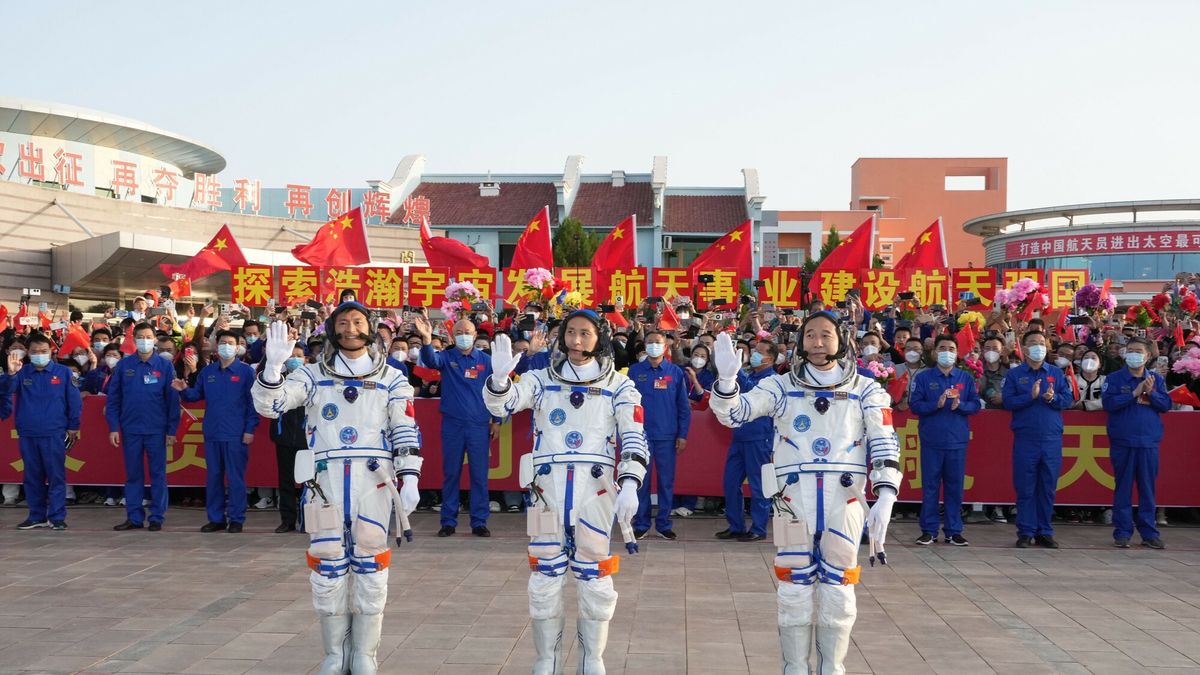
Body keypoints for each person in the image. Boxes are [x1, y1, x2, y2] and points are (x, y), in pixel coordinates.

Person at [708, 311, 901, 674]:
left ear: (842, 340)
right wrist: (728, 380)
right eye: (810, 335)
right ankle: (794, 667)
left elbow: (884, 440)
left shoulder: (866, 389)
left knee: (839, 586)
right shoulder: (780, 387)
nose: (817, 342)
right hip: (791, 501)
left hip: (844, 499)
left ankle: (832, 668)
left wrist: (887, 492)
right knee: (793, 587)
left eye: (826, 334)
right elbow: (734, 414)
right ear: (799, 343)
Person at [253, 302, 422, 674]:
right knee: (327, 561)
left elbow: (405, 427)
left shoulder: (392, 377)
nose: (350, 328)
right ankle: (334, 653)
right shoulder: (312, 375)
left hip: (374, 480)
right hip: (325, 480)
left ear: (370, 328)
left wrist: (410, 476)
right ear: (332, 329)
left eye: (358, 321)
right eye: (342, 322)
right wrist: (273, 368)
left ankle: (364, 654)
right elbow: (272, 405)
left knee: (370, 562)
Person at [482, 310, 647, 675]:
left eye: (585, 333)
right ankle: (547, 660)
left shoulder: (620, 386)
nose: (576, 340)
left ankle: (592, 660)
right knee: (544, 575)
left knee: (595, 576)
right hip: (546, 493)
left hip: (595, 492)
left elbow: (634, 435)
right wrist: (500, 379)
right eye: (570, 332)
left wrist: (631, 482)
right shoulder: (541, 379)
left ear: (600, 339)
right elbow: (503, 404)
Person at [412, 312, 501, 537]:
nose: (463, 336)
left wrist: (497, 420)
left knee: (479, 475)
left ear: (475, 335)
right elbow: (431, 361)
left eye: (467, 332)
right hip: (452, 425)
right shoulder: (447, 357)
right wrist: (426, 339)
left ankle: (479, 521)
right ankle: (448, 521)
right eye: (459, 333)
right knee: (451, 473)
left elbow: (497, 391)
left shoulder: (486, 361)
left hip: (479, 425)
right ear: (452, 336)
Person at [172, 330, 258, 533]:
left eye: (230, 343)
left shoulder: (246, 372)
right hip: (212, 432)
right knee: (214, 477)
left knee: (235, 479)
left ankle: (236, 519)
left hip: (236, 434)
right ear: (216, 346)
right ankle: (216, 518)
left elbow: (253, 403)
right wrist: (183, 389)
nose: (226, 346)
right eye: (222, 342)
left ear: (237, 347)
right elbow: (195, 396)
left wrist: (250, 429)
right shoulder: (208, 372)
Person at [1, 333, 81, 530]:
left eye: (43, 351)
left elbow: (74, 401)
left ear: (51, 351)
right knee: (32, 476)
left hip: (54, 432)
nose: (39, 354)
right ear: (28, 353)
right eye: (35, 351)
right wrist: (11, 373)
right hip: (28, 432)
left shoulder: (63, 373)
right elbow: (6, 391)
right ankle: (36, 516)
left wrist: (73, 426)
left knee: (56, 476)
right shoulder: (21, 372)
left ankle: (57, 517)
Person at [1002, 330, 1074, 548]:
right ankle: (1025, 531)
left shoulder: (1056, 373)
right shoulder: (1014, 375)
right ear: (1024, 349)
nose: (1038, 346)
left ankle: (1044, 531)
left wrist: (1053, 398)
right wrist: (1030, 396)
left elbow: (1067, 400)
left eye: (1042, 343)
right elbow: (1008, 402)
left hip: (1051, 438)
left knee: (1047, 486)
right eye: (1033, 343)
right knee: (1025, 486)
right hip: (1026, 438)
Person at [105, 322, 180, 531]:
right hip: (131, 429)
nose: (144, 341)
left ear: (155, 340)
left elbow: (173, 401)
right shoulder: (124, 366)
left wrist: (172, 430)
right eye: (140, 337)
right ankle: (134, 517)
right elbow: (114, 399)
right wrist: (113, 427)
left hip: (157, 430)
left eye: (148, 337)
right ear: (134, 339)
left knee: (158, 475)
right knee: (133, 475)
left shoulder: (165, 366)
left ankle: (157, 517)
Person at [909, 335, 981, 546]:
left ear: (957, 353)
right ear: (934, 352)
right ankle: (929, 530)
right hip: (932, 441)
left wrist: (961, 405)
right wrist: (936, 405)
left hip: (957, 441)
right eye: (942, 348)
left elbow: (976, 405)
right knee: (930, 487)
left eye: (951, 348)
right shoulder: (924, 378)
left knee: (954, 488)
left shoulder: (965, 378)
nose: (946, 352)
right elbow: (915, 405)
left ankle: (953, 531)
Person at [1102, 337, 1171, 549]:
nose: (1134, 354)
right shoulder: (1114, 378)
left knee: (1147, 489)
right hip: (1123, 441)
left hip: (1148, 442)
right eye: (1130, 350)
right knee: (1123, 488)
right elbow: (1109, 404)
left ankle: (1149, 533)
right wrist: (1134, 393)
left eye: (1138, 351)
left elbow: (1166, 405)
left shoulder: (1155, 379)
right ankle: (1122, 532)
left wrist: (1151, 392)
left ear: (1147, 356)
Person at [626, 330, 690, 540]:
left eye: (658, 342)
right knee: (641, 482)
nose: (654, 345)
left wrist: (682, 435)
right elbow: (626, 403)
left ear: (665, 346)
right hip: (641, 437)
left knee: (666, 482)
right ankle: (641, 523)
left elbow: (683, 407)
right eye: (650, 342)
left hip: (667, 436)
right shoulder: (634, 371)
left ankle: (664, 524)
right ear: (645, 345)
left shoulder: (675, 372)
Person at [714, 339, 779, 542]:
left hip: (759, 439)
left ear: (770, 358)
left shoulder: (773, 380)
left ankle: (758, 528)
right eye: (754, 350)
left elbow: (753, 394)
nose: (754, 354)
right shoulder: (751, 375)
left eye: (760, 352)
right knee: (730, 483)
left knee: (758, 486)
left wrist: (736, 372)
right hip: (739, 437)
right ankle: (736, 526)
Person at [269, 346, 309, 534]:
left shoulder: (311, 379)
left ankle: (308, 520)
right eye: (291, 355)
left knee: (309, 481)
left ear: (306, 359)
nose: (295, 359)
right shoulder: (278, 379)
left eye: (299, 356)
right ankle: (287, 520)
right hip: (284, 437)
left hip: (306, 439)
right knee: (286, 480)